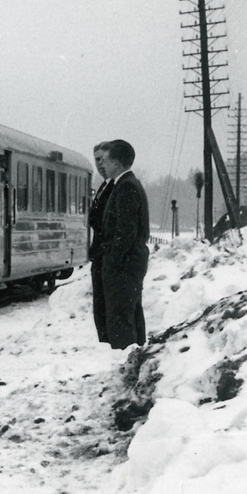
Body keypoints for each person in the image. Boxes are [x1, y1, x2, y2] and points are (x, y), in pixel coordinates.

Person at [93, 139, 150, 349]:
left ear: (116, 163)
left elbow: (126, 232)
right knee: (128, 313)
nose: (102, 165)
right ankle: (135, 356)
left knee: (120, 318)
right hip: (128, 262)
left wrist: (112, 261)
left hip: (124, 264)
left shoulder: (125, 186)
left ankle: (124, 359)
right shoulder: (126, 184)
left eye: (105, 160)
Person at [87, 144, 114, 343]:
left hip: (106, 255)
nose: (100, 164)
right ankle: (103, 341)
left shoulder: (115, 187)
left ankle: (107, 342)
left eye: (103, 159)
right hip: (99, 254)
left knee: (106, 305)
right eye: (97, 160)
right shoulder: (104, 186)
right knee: (100, 305)